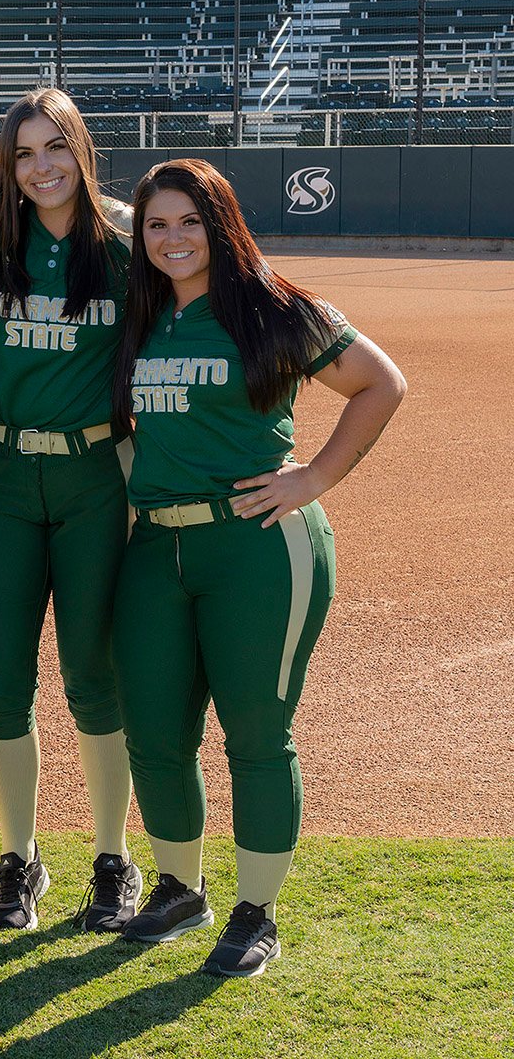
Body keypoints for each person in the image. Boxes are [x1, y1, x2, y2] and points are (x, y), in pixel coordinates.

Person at [112, 158, 406, 976]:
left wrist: (312, 476)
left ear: (220, 224)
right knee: (156, 734)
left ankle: (257, 911)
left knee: (256, 735)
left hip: (256, 545)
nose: (172, 239)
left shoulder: (272, 306)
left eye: (188, 221)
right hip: (155, 551)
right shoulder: (140, 316)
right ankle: (179, 888)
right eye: (156, 225)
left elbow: (380, 384)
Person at [0, 87, 143, 933]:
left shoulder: (123, 242)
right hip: (2, 478)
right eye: (24, 154)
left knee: (91, 678)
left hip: (93, 482)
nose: (41, 168)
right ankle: (20, 859)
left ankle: (112, 857)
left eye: (55, 148)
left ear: (81, 148)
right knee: (3, 683)